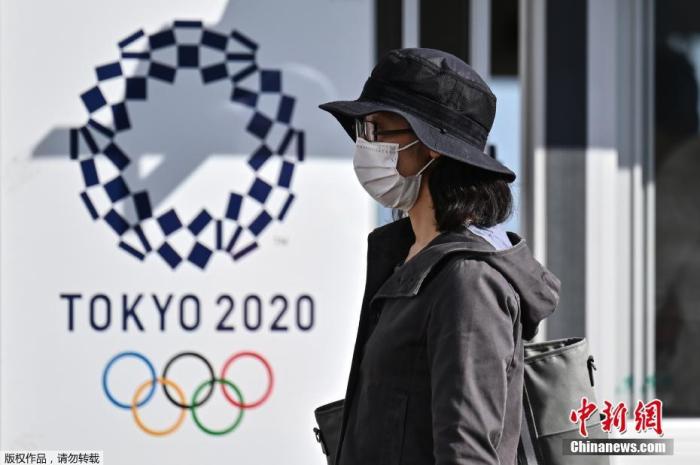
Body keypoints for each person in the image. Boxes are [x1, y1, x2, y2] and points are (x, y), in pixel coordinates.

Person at [318, 47, 561, 465]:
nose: (365, 145)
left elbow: (467, 453)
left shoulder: (469, 281)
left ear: (431, 147)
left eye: (378, 130)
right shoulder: (405, 256)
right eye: (361, 130)